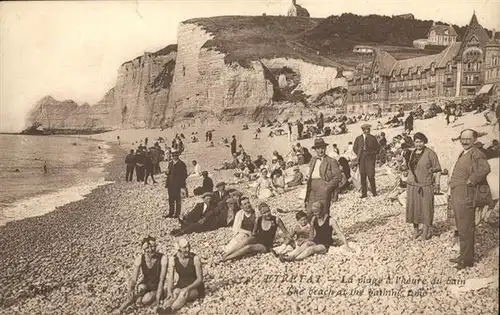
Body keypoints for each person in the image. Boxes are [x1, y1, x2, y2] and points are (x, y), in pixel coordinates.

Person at [449, 129, 491, 270]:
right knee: (461, 226)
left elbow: (485, 168)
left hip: (466, 194)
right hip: (458, 193)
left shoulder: (477, 153)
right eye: (462, 138)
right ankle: (463, 255)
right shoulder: (464, 152)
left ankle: (467, 260)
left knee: (466, 227)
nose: (465, 141)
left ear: (474, 140)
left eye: (468, 138)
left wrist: (471, 180)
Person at [113, 236, 168, 314]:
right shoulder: (140, 259)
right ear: (144, 250)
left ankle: (154, 297)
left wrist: (158, 296)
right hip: (145, 283)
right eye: (147, 248)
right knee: (139, 295)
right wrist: (130, 290)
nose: (151, 250)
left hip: (156, 285)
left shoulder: (162, 258)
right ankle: (120, 309)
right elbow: (134, 279)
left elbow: (162, 279)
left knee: (145, 300)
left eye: (153, 247)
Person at [280, 201, 352, 261]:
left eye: (317, 212)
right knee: (306, 244)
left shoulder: (331, 220)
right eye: (314, 212)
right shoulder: (314, 219)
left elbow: (339, 233)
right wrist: (305, 239)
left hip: (325, 244)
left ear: (322, 210)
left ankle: (295, 259)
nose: (315, 214)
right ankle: (291, 255)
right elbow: (311, 234)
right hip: (316, 241)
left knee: (311, 249)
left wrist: (347, 245)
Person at [221, 202, 288, 262]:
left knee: (248, 247)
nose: (267, 214)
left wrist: (285, 241)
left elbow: (286, 233)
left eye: (268, 211)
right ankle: (227, 254)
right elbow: (254, 233)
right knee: (245, 241)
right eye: (264, 213)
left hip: (265, 245)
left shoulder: (276, 220)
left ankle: (226, 258)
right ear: (261, 213)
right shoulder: (258, 220)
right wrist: (248, 237)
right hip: (257, 238)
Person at [405, 132, 442, 240]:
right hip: (412, 185)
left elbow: (438, 169)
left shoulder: (431, 153)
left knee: (426, 208)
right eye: (416, 142)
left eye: (420, 142)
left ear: (424, 142)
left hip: (426, 185)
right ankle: (416, 231)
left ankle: (425, 232)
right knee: (413, 208)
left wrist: (437, 183)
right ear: (414, 142)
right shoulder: (412, 153)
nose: (418, 144)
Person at [157, 237, 204, 314]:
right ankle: (164, 307)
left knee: (183, 294)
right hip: (181, 285)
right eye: (185, 248)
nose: (188, 249)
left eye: (189, 246)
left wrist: (187, 288)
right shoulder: (173, 259)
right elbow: (170, 278)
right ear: (179, 249)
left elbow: (199, 279)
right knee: (175, 292)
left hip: (195, 287)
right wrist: (169, 291)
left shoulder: (195, 259)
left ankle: (171, 310)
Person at [304, 138, 342, 218]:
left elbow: (338, 177)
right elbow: (308, 171)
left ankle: (325, 230)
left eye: (322, 148)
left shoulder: (331, 161)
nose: (321, 150)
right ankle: (313, 230)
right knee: (309, 212)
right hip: (311, 188)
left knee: (323, 211)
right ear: (315, 150)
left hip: (323, 188)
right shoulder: (313, 159)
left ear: (325, 148)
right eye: (318, 148)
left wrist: (327, 187)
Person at [353, 124, 381, 198]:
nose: (368, 130)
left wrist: (373, 154)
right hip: (361, 158)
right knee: (363, 176)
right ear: (363, 130)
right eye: (366, 129)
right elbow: (355, 148)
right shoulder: (358, 138)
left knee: (371, 175)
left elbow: (378, 148)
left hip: (370, 158)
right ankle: (364, 194)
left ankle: (374, 192)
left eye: (368, 129)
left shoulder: (373, 138)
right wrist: (359, 154)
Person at [164, 149, 188, 218]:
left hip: (178, 185)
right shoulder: (170, 163)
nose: (174, 157)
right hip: (170, 184)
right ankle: (171, 213)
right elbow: (168, 172)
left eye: (175, 156)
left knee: (178, 200)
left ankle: (177, 214)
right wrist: (166, 172)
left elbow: (185, 175)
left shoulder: (181, 164)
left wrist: (182, 185)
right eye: (173, 156)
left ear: (178, 156)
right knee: (171, 199)